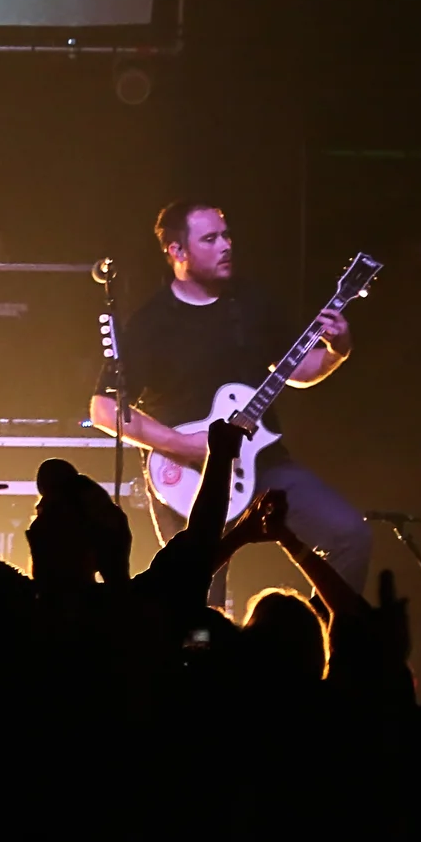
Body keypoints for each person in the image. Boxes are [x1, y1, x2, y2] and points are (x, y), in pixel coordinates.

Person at [86, 200, 372, 594]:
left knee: (351, 536)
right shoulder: (151, 323)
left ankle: (327, 630)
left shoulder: (252, 303)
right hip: (190, 477)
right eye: (210, 238)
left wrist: (338, 350)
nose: (226, 245)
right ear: (177, 251)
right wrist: (185, 444)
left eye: (226, 235)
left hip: (262, 462)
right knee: (200, 598)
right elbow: (104, 409)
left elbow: (297, 371)